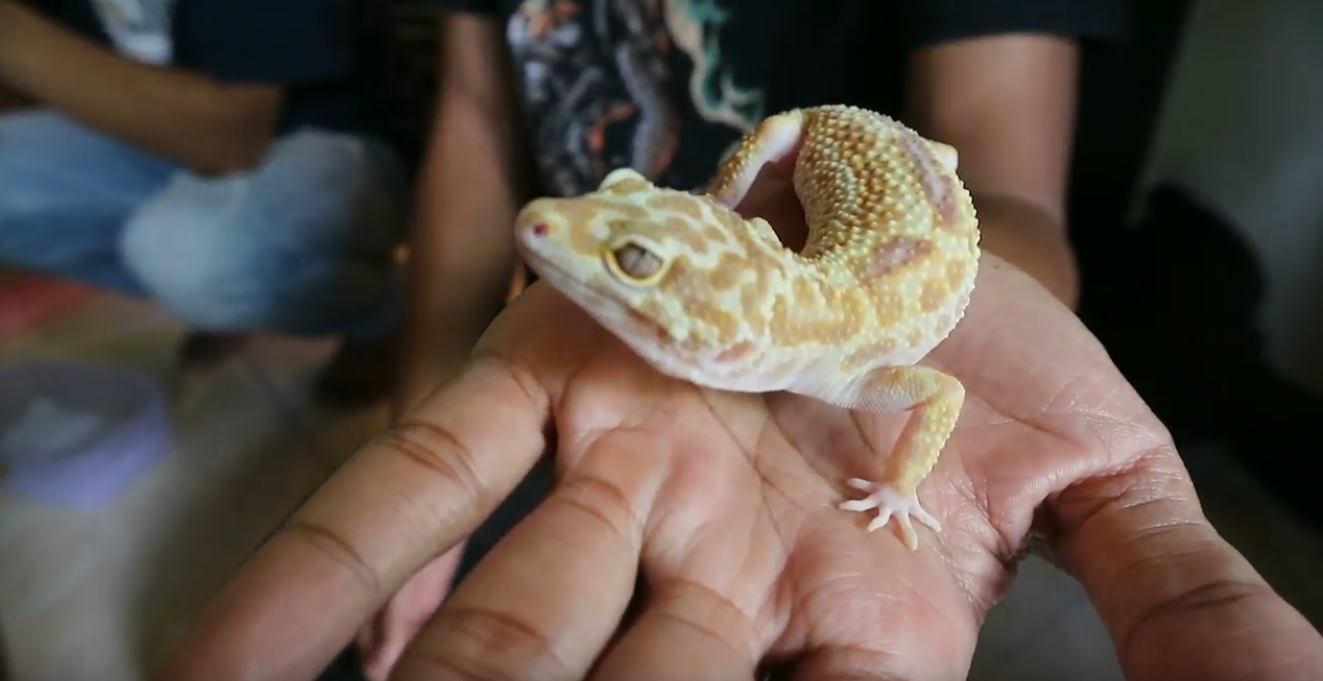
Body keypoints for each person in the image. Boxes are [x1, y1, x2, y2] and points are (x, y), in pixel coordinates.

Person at [356, 0, 1133, 677]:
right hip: (865, 175)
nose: (544, 222)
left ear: (728, 343)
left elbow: (942, 389)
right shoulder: (773, 307)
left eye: (632, 262)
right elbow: (474, 114)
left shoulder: (845, 361)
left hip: (859, 151)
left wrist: (900, 486)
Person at [0, 0, 408, 400]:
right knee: (181, 253)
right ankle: (237, 293)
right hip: (168, 139)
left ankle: (380, 314)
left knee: (194, 257)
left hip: (324, 141)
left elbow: (233, 138)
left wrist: (12, 35)